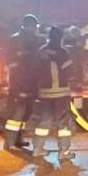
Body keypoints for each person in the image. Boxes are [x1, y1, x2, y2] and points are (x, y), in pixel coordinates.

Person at [30, 25, 76, 162]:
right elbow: (70, 73)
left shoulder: (41, 52)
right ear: (61, 38)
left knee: (44, 120)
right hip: (61, 93)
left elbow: (34, 71)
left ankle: (37, 149)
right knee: (63, 124)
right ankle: (64, 152)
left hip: (45, 93)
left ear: (48, 38)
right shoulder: (63, 52)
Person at [3, 14, 44, 150]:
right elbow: (9, 61)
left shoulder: (38, 40)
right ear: (25, 26)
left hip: (32, 82)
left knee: (27, 112)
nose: (32, 29)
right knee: (17, 112)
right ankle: (9, 142)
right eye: (31, 26)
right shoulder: (15, 40)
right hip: (18, 82)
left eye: (34, 26)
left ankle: (18, 139)